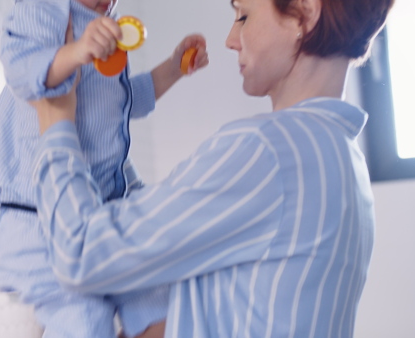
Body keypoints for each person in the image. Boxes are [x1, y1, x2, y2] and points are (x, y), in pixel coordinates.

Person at [31, 0, 395, 336]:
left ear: (305, 11)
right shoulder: (343, 162)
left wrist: (56, 118)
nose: (230, 40)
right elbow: (171, 248)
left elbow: (80, 254)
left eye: (243, 15)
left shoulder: (270, 150)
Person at [0, 0, 208, 337]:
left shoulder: (106, 27)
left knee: (160, 305)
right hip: (38, 221)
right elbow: (23, 70)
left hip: (99, 215)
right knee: (85, 321)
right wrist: (75, 53)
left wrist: (173, 68)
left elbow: (122, 99)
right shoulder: (45, 8)